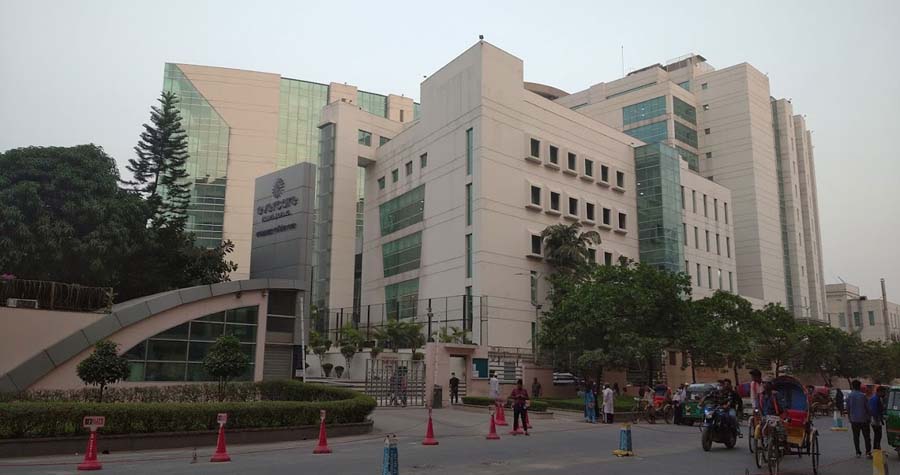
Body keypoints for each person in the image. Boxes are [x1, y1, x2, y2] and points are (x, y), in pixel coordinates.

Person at [847, 379, 872, 458]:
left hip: (854, 420)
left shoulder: (850, 396)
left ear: (853, 386)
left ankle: (858, 452)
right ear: (859, 386)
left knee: (856, 437)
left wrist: (849, 417)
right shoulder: (863, 396)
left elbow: (848, 408)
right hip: (864, 419)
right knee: (867, 437)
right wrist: (869, 416)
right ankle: (868, 452)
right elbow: (867, 408)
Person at [870, 386, 887, 452]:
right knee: (878, 435)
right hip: (875, 419)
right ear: (879, 392)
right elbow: (874, 410)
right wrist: (877, 420)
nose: (884, 394)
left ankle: (877, 448)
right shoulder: (875, 399)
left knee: (878, 435)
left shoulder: (877, 398)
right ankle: (876, 449)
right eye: (883, 392)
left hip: (876, 419)